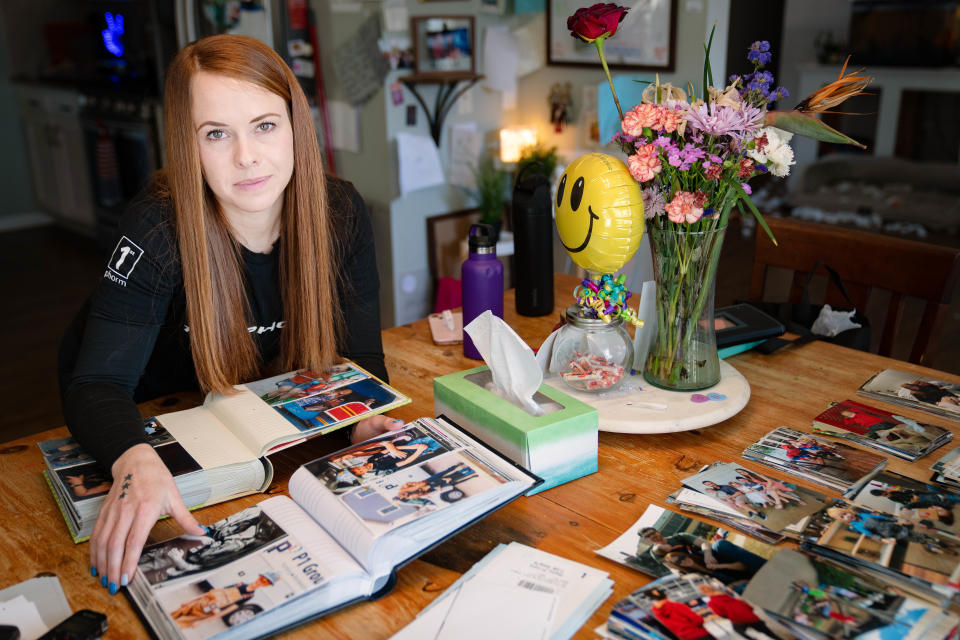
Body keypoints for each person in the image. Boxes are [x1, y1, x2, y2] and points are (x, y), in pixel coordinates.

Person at [57, 35, 402, 595]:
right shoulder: (157, 229)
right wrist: (133, 458)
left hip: (256, 427)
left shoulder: (340, 212)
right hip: (146, 416)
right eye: (217, 134)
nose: (246, 156)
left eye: (265, 125)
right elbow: (96, 381)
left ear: (296, 127)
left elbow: (359, 357)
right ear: (188, 146)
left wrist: (361, 421)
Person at [171, 573, 277, 628]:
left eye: (264, 583)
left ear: (266, 585)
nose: (260, 582)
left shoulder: (249, 596)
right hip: (199, 602)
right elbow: (212, 592)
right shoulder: (239, 584)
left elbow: (228, 610)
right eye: (261, 579)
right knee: (172, 615)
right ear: (258, 578)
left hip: (206, 610)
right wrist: (190, 601)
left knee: (178, 624)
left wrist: (201, 622)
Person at [697, 583, 778, 639]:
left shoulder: (712, 602)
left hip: (739, 620)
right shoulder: (725, 595)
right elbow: (746, 605)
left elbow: (721, 614)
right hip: (751, 617)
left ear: (705, 593)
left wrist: (730, 616)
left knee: (739, 631)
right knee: (769, 633)